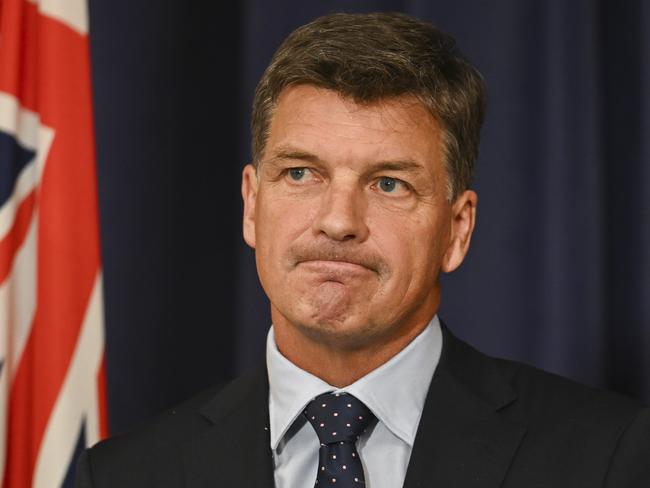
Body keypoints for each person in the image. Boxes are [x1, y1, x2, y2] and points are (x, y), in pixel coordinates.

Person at [76, 12, 650, 488]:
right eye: (301, 173)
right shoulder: (129, 473)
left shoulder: (605, 458)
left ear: (457, 229)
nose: (338, 222)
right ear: (252, 205)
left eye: (389, 183)